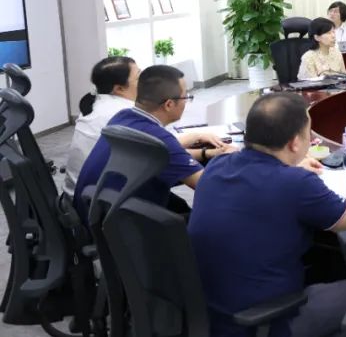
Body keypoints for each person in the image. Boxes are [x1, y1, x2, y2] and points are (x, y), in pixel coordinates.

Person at [188, 92, 346, 337]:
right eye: (308, 134)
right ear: (294, 143)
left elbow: (262, 182)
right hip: (254, 324)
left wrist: (291, 167)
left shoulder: (218, 166)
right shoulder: (293, 183)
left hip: (204, 313)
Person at [73, 66, 233, 223]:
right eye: (186, 97)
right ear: (169, 104)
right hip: (122, 227)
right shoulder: (159, 140)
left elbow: (164, 155)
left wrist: (207, 153)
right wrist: (237, 160)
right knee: (219, 219)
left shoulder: (122, 117)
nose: (187, 102)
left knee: (180, 205)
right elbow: (209, 186)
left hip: (95, 216)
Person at [64, 56, 140, 198]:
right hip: (97, 203)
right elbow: (163, 150)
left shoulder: (96, 103)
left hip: (75, 195)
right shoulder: (124, 113)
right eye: (138, 77)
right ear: (119, 88)